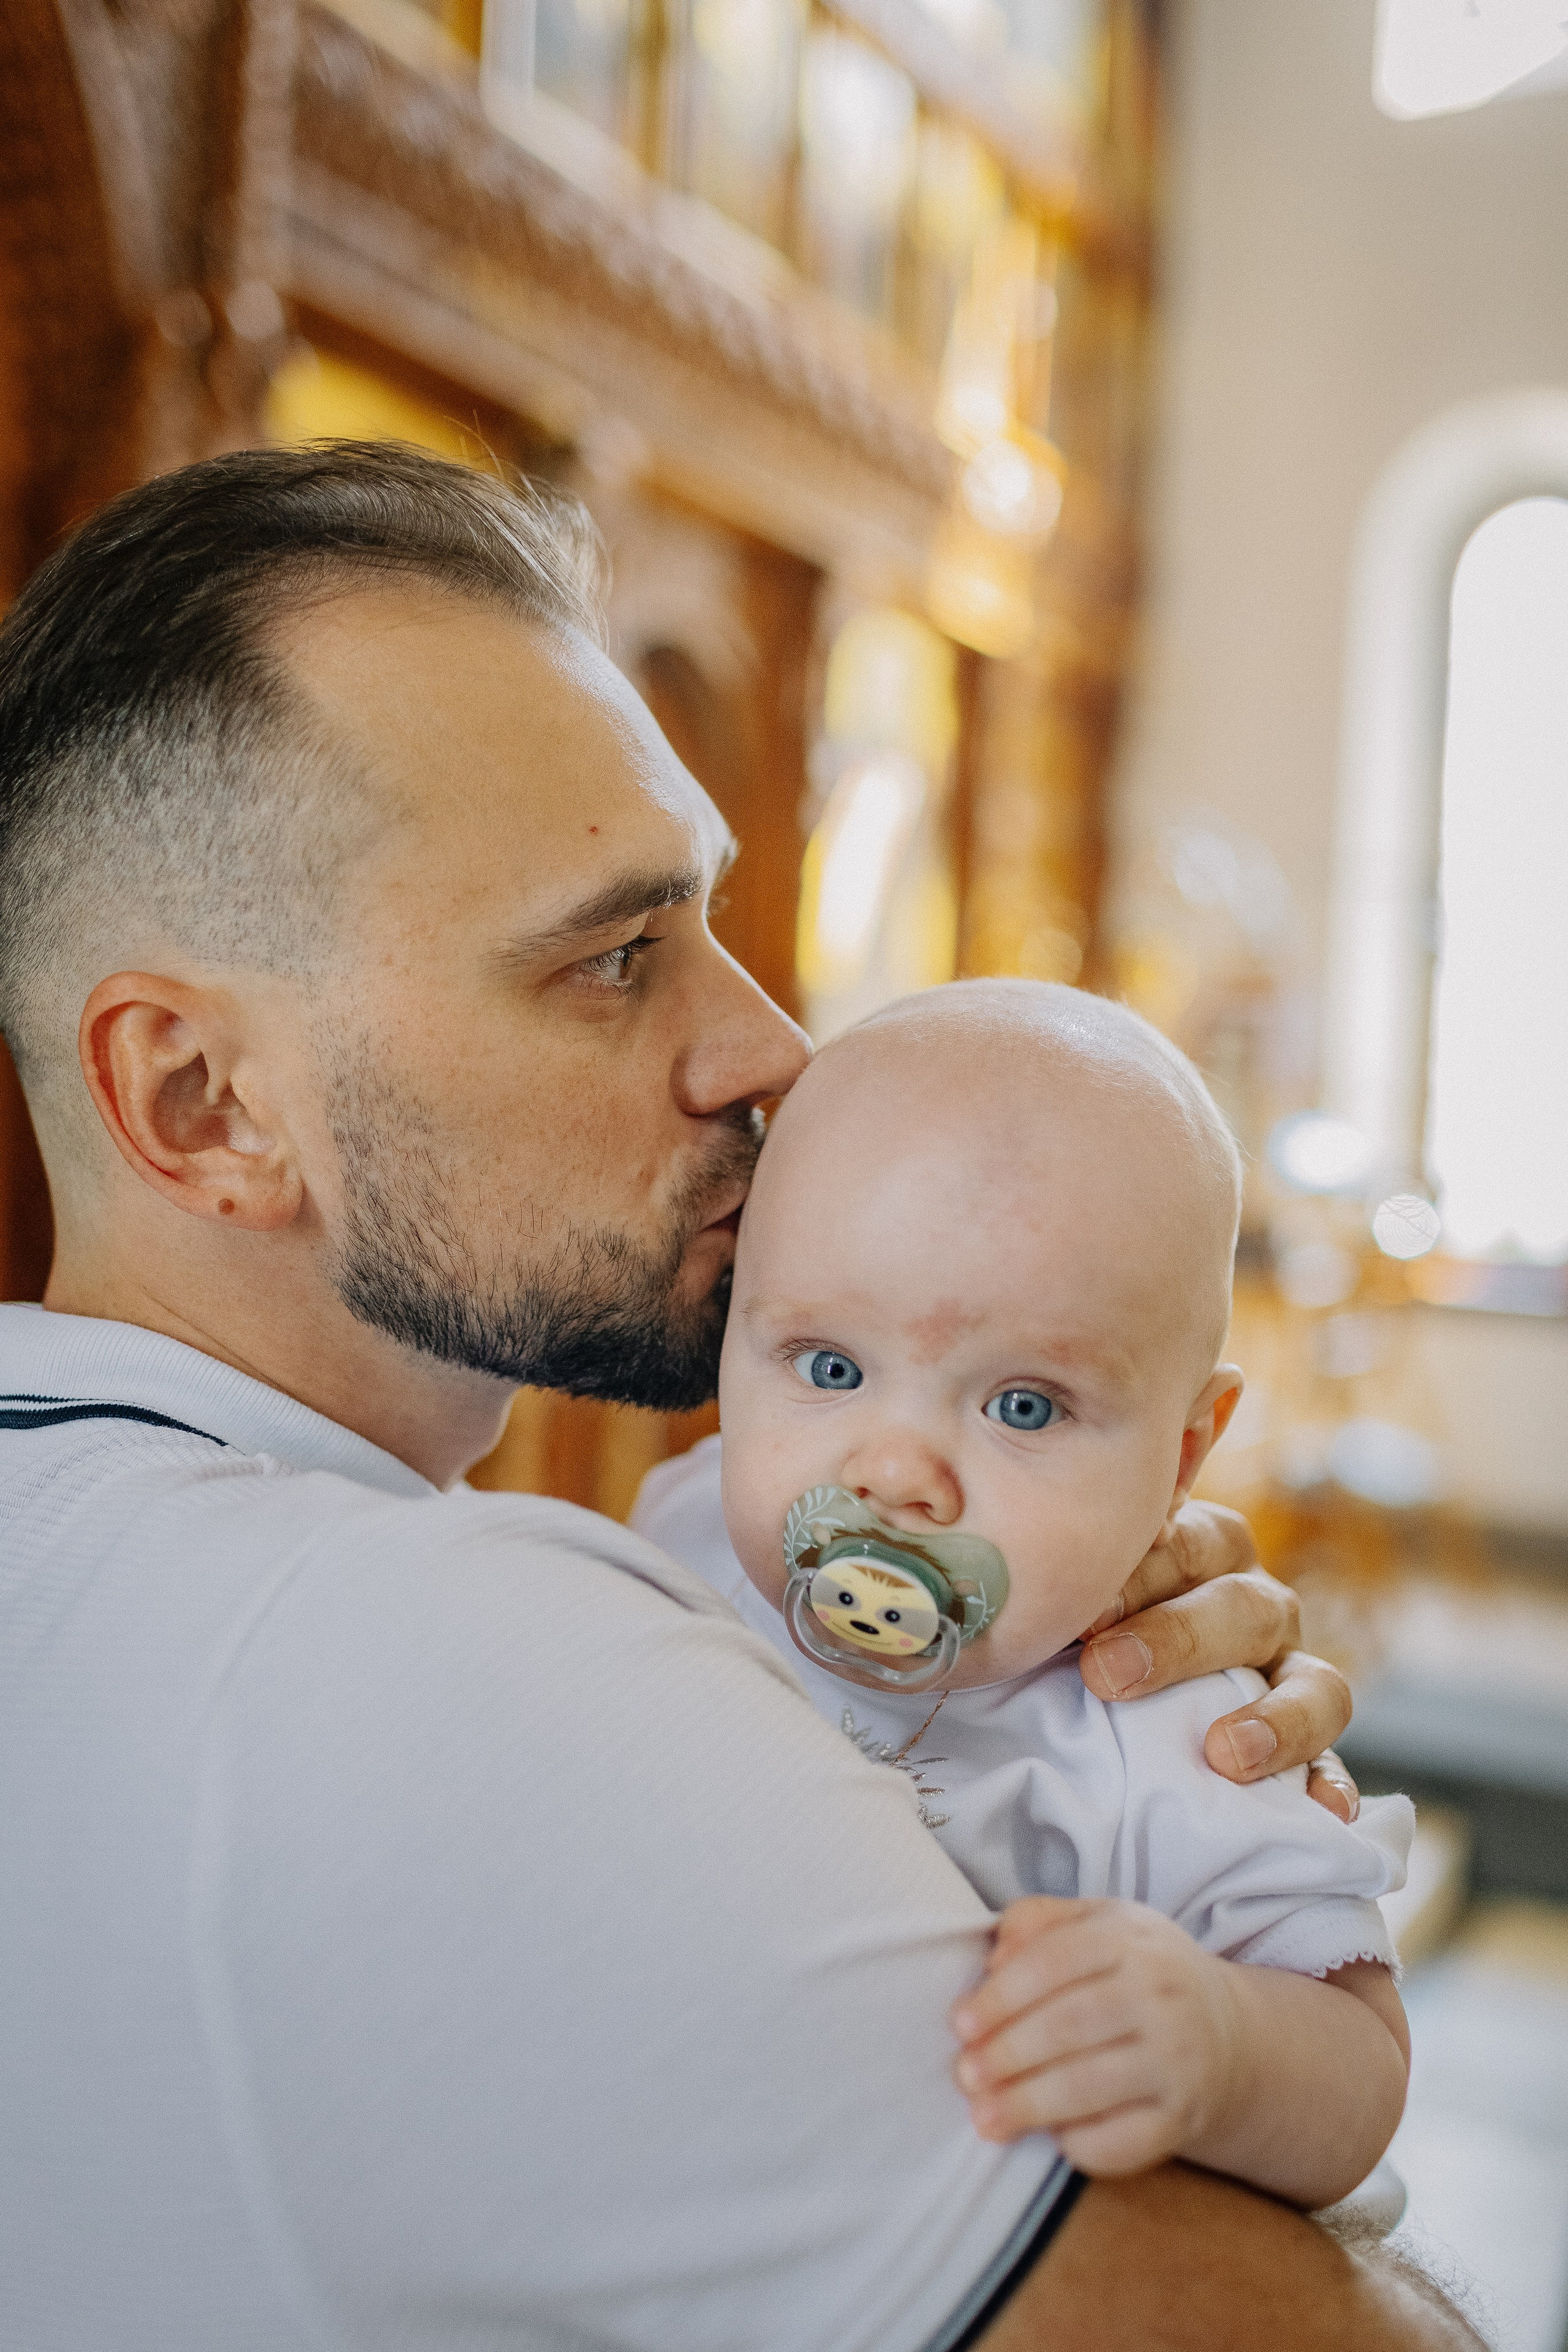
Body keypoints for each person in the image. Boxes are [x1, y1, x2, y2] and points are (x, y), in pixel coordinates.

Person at [0, 443, 1477, 2350]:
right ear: (205, 1101)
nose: (770, 1045)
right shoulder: (447, 1669)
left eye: (706, 918)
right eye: (614, 957)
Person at [633, 981, 1412, 2209]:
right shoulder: (680, 1536)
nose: (895, 1473)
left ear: (1182, 1454)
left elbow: (1360, 2064)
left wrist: (1218, 2043)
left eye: (1023, 1406)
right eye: (828, 1368)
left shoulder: (1175, 1737)